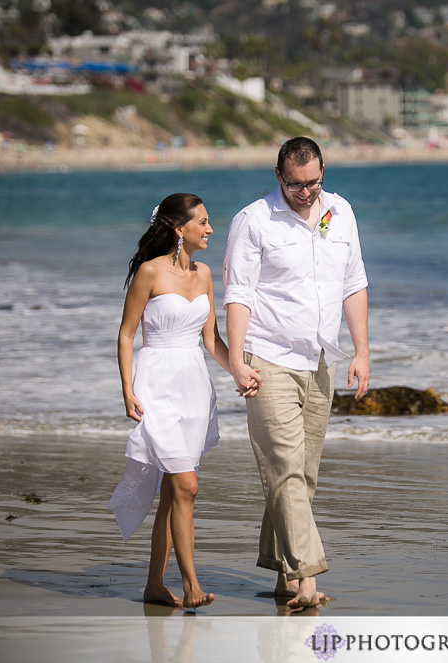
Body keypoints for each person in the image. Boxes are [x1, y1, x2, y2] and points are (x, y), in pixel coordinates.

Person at [223, 137, 370, 610]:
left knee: (302, 476)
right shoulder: (253, 221)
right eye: (295, 185)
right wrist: (236, 360)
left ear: (323, 171)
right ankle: (307, 580)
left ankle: (284, 571)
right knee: (284, 470)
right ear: (278, 177)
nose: (306, 193)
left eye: (314, 183)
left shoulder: (341, 212)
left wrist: (361, 351)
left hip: (322, 360)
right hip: (268, 360)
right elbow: (238, 294)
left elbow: (354, 284)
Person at [108, 192, 245, 609]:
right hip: (156, 385)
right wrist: (128, 389)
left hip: (194, 389)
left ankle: (153, 585)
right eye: (202, 222)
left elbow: (211, 341)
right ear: (176, 227)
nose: (209, 229)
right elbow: (127, 334)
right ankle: (190, 585)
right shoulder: (149, 273)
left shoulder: (203, 274)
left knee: (173, 495)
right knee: (188, 486)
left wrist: (240, 372)